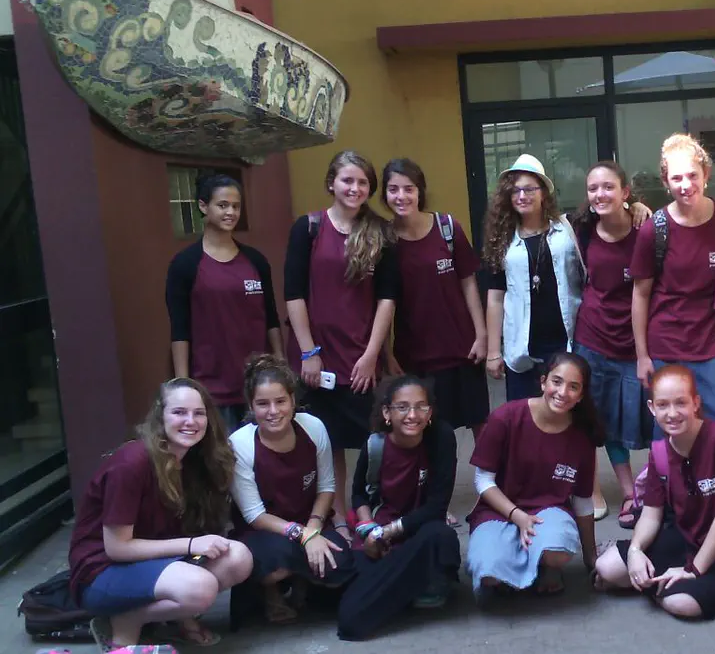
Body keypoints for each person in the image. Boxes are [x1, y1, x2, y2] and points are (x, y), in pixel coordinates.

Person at [68, 378, 252, 651]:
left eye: (198, 413)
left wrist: (194, 544)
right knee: (200, 587)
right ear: (160, 416)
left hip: (155, 560)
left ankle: (178, 618)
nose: (190, 421)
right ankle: (126, 620)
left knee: (238, 557)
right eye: (179, 412)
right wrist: (192, 544)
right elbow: (117, 548)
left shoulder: (194, 459)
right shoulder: (131, 463)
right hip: (102, 571)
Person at [592, 365, 715, 620]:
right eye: (663, 405)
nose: (672, 413)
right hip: (686, 540)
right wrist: (636, 550)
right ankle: (664, 581)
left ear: (696, 403)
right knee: (607, 567)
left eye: (680, 403)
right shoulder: (660, 452)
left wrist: (694, 570)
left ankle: (672, 584)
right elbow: (651, 515)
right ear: (652, 408)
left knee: (681, 604)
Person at [284, 150, 397, 531]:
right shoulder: (308, 228)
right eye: (347, 180)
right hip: (316, 358)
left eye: (363, 182)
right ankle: (336, 517)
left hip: (360, 356)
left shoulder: (380, 233)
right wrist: (309, 352)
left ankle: (372, 512)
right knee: (326, 442)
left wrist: (371, 355)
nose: (355, 188)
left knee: (374, 439)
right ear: (331, 183)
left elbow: (387, 299)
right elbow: (293, 294)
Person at [630, 133, 715, 421]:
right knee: (671, 426)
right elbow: (640, 294)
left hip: (714, 343)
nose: (686, 185)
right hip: (666, 344)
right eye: (676, 178)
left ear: (706, 174)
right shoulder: (654, 229)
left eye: (693, 175)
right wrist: (642, 355)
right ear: (665, 181)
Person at [230, 354, 356, 624]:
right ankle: (271, 593)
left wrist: (313, 528)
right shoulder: (240, 444)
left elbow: (326, 487)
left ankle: (301, 583)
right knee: (276, 558)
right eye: (262, 404)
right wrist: (304, 537)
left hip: (310, 521)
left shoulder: (313, 427)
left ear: (292, 400)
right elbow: (254, 515)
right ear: (251, 406)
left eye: (280, 401)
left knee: (342, 563)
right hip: (264, 530)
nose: (273, 411)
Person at [465, 352, 602, 599]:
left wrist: (591, 557)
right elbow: (483, 480)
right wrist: (517, 516)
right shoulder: (505, 418)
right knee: (489, 574)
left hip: (548, 513)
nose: (562, 392)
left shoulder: (582, 435)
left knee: (556, 551)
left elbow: (582, 500)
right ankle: (515, 562)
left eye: (573, 387)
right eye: (556, 382)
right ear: (543, 382)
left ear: (581, 395)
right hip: (498, 511)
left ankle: (547, 566)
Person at [336, 375, 460, 641]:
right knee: (350, 607)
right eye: (402, 407)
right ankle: (410, 585)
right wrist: (370, 531)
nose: (412, 415)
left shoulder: (441, 437)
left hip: (418, 530)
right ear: (387, 412)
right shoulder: (375, 445)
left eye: (421, 407)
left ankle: (414, 584)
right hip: (378, 531)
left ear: (430, 412)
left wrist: (388, 533)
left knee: (442, 536)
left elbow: (437, 506)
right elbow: (359, 494)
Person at [572, 161, 656, 529]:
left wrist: (640, 208)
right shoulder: (580, 229)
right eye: (593, 188)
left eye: (608, 187)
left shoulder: (646, 230)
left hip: (639, 340)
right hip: (593, 338)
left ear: (625, 192)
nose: (600, 194)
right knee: (603, 420)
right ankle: (629, 493)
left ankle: (656, 488)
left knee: (653, 416)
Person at [381, 158, 489, 439]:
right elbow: (383, 303)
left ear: (420, 191)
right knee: (427, 429)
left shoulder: (447, 228)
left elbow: (468, 283)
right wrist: (387, 353)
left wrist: (481, 334)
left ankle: (487, 470)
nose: (401, 196)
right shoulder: (385, 241)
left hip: (461, 348)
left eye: (409, 189)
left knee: (479, 422)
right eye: (393, 189)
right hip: (415, 356)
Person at [166, 174, 283, 429]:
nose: (231, 212)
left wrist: (280, 366)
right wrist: (183, 385)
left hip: (257, 387)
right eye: (222, 205)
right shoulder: (185, 265)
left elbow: (271, 318)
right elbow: (180, 329)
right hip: (211, 389)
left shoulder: (256, 261)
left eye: (236, 206)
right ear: (203, 206)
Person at [482, 154, 585, 404]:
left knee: (567, 411)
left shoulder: (568, 228)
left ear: (543, 193)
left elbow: (607, 213)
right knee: (525, 416)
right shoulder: (502, 239)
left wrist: (634, 206)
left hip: (566, 340)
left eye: (529, 189)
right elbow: (496, 298)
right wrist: (494, 351)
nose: (522, 196)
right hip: (522, 347)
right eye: (515, 191)